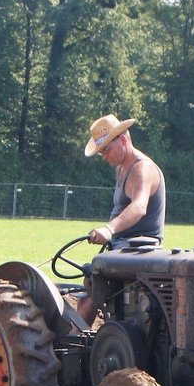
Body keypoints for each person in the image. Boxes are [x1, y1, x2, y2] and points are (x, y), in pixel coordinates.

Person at [71, 113, 167, 327]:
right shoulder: (121, 168)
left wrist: (109, 228)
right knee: (89, 283)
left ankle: (78, 340)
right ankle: (85, 339)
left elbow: (139, 206)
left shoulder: (143, 169)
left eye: (106, 149)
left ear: (123, 139)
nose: (104, 156)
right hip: (122, 246)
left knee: (95, 281)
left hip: (139, 247)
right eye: (100, 151)